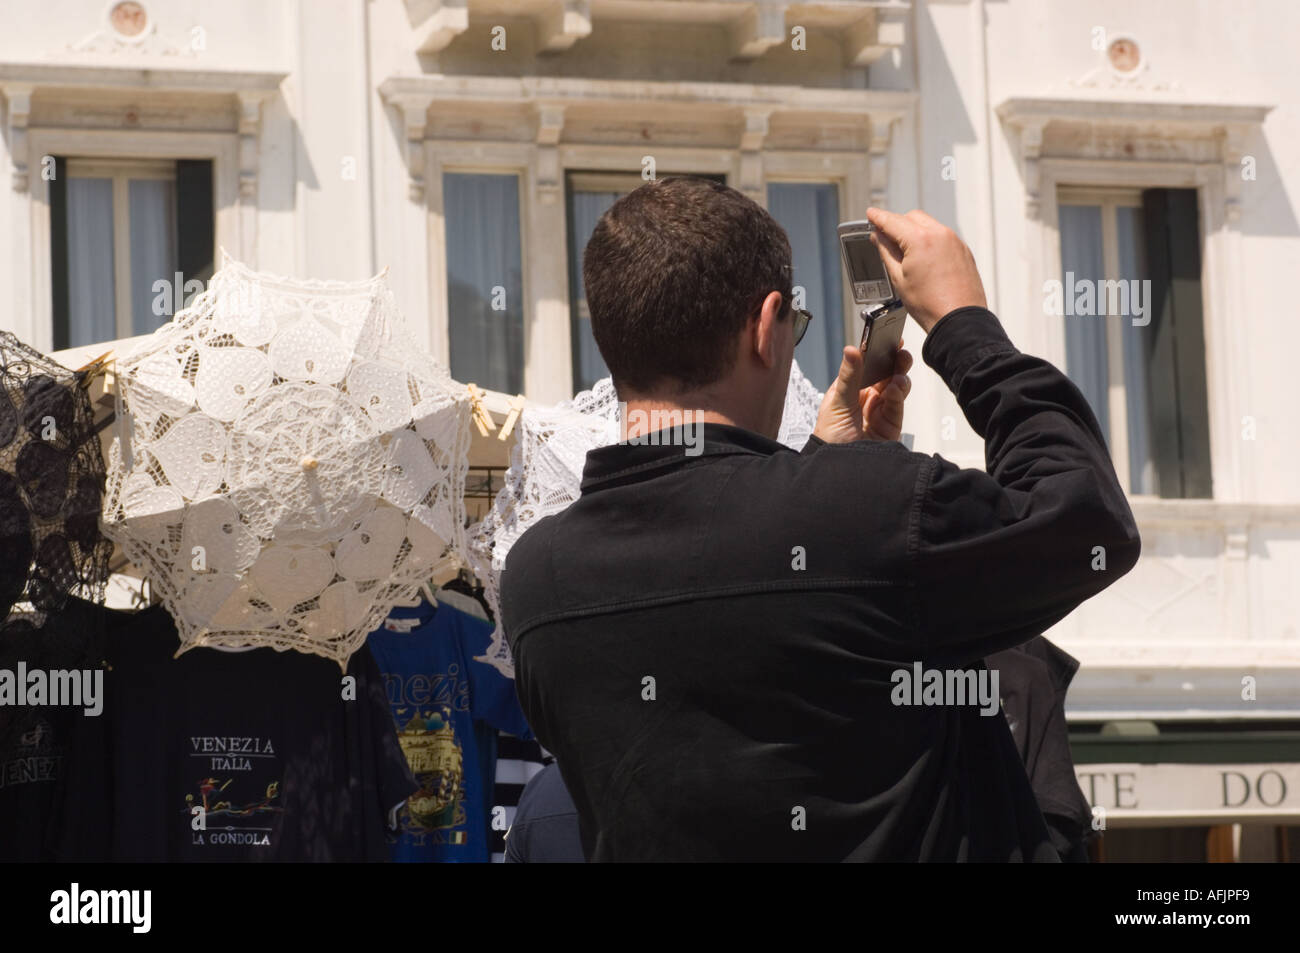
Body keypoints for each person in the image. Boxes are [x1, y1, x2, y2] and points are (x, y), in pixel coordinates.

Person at [501, 177, 1141, 862]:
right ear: (765, 326)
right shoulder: (865, 514)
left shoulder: (538, 579)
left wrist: (823, 471)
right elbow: (1087, 517)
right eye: (794, 328)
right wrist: (964, 326)